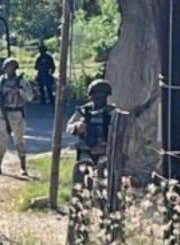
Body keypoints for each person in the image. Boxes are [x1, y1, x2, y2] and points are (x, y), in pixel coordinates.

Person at [65, 80, 120, 245]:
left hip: (105, 156)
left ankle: (107, 227)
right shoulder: (83, 111)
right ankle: (80, 230)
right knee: (82, 192)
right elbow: (69, 127)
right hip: (86, 155)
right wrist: (77, 127)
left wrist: (106, 146)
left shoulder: (113, 113)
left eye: (102, 95)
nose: (99, 98)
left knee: (105, 193)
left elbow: (121, 133)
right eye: (96, 95)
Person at [0, 57, 34, 175]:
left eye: (13, 67)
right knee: (1, 142)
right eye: (8, 67)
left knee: (19, 141)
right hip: (3, 114)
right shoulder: (0, 82)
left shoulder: (22, 82)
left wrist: (19, 91)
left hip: (17, 114)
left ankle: (23, 167)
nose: (10, 70)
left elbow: (30, 96)